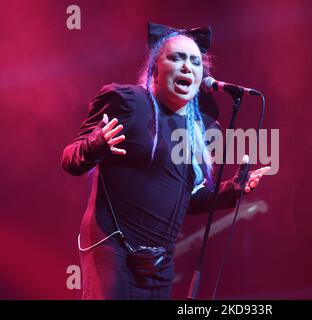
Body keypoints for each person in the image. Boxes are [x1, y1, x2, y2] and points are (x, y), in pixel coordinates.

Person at [61, 22, 270, 300]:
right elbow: (69, 159)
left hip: (160, 259)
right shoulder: (128, 103)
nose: (187, 67)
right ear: (155, 70)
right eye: (177, 58)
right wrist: (95, 144)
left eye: (195, 62)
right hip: (112, 244)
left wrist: (230, 191)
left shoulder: (202, 130)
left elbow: (188, 199)